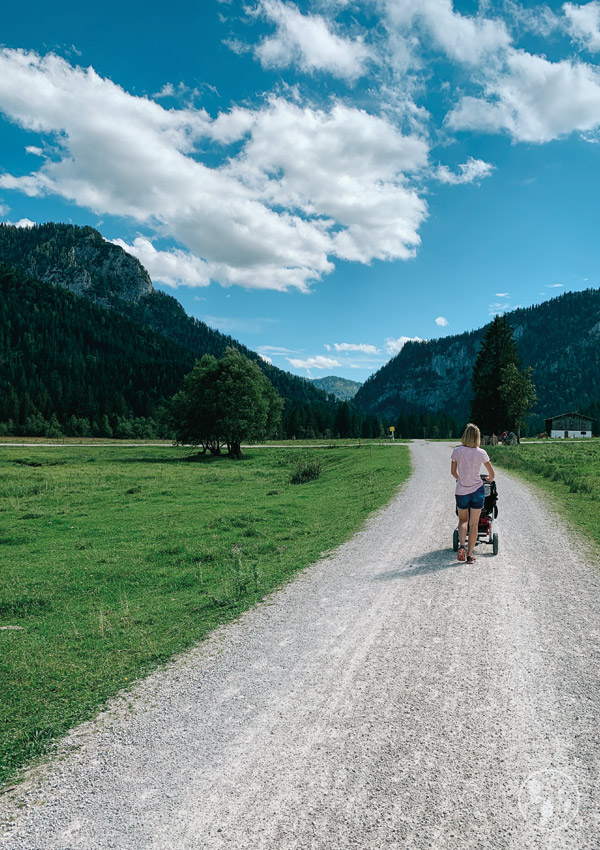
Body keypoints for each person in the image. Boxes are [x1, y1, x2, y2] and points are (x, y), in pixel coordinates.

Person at [451, 423, 495, 564]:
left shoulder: (457, 451)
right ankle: (470, 556)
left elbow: (453, 472)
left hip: (462, 490)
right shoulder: (481, 453)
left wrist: (460, 479)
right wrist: (489, 479)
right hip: (477, 490)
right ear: (477, 437)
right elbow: (491, 474)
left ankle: (462, 546)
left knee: (463, 520)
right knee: (474, 524)